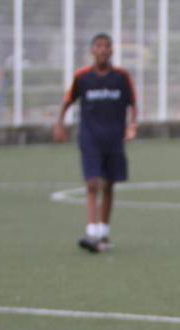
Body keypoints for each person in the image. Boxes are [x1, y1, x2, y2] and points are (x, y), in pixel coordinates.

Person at [53, 33, 137, 253]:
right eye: (99, 46)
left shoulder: (121, 77)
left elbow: (133, 103)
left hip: (114, 138)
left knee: (109, 184)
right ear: (92, 50)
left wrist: (131, 126)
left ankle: (103, 232)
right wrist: (59, 124)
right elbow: (67, 101)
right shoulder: (82, 77)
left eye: (107, 46)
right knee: (92, 183)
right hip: (90, 138)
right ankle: (91, 232)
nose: (103, 50)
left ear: (112, 50)